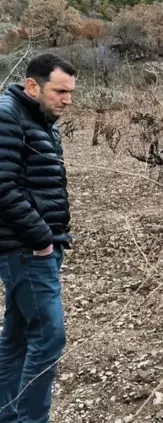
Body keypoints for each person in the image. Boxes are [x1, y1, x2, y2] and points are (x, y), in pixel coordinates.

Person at [0, 53, 76, 422]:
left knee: (15, 340)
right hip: (27, 249)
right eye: (60, 91)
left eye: (71, 93)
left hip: (38, 246)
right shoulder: (7, 115)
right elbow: (2, 187)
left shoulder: (40, 118)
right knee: (49, 336)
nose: (67, 100)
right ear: (32, 86)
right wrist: (43, 238)